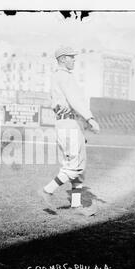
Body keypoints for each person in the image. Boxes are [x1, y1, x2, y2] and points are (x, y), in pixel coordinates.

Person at [39, 46, 100, 216]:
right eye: (72, 57)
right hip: (69, 124)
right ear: (63, 58)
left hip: (66, 124)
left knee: (77, 168)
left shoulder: (56, 77)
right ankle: (47, 191)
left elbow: (56, 103)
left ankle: (76, 206)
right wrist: (90, 118)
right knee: (74, 166)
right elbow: (75, 100)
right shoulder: (64, 77)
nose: (74, 59)